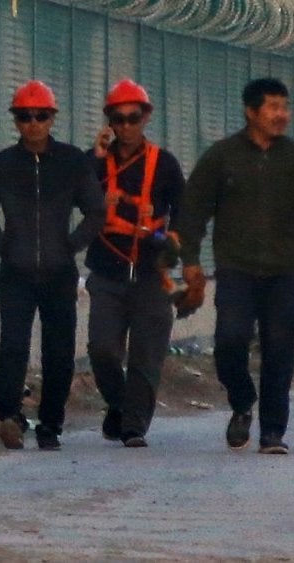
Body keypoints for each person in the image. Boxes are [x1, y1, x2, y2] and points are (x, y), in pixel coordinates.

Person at [175, 75, 294, 455]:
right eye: (273, 107)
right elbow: (192, 212)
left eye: (285, 107)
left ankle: (273, 432)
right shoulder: (221, 157)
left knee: (280, 349)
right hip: (237, 271)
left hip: (286, 273)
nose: (282, 115)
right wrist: (190, 261)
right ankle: (242, 401)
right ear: (251, 111)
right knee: (229, 340)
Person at [0, 79, 101, 450]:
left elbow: (96, 210)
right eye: (24, 117)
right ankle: (10, 417)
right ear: (15, 121)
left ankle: (51, 424)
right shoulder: (1, 165)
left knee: (59, 350)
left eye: (40, 116)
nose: (32, 123)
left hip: (59, 273)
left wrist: (71, 246)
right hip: (16, 274)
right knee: (13, 345)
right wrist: (7, 249)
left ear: (52, 119)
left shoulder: (71, 162)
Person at [84, 78, 187, 447]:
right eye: (118, 119)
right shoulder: (96, 163)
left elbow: (184, 211)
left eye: (133, 118)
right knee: (102, 349)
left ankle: (134, 426)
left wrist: (174, 246)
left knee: (146, 355)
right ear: (109, 122)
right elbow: (74, 193)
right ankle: (120, 403)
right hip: (107, 272)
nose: (126, 126)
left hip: (150, 273)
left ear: (145, 117)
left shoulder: (164, 164)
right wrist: (94, 158)